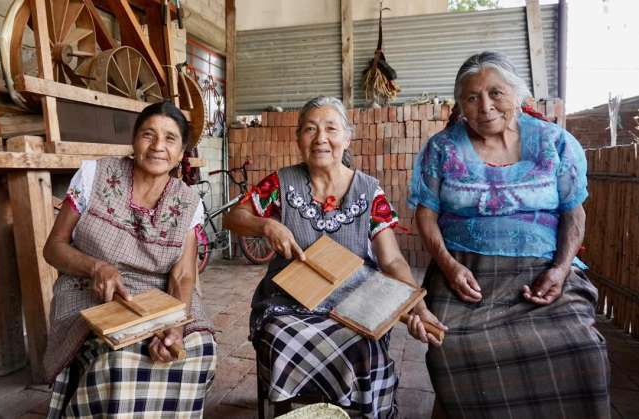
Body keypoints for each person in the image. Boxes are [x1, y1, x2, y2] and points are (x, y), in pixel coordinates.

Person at [407, 51, 610, 418]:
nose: (485, 106)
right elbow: (426, 213)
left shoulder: (555, 143)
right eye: (471, 97)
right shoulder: (443, 148)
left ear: (517, 94)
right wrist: (448, 266)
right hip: (467, 271)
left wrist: (562, 269)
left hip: (543, 269)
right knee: (455, 348)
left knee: (580, 347)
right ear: (461, 105)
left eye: (495, 93)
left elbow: (573, 211)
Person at [223, 96, 445, 418]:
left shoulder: (369, 191)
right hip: (287, 303)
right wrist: (266, 224)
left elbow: (393, 261)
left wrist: (417, 306)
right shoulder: (281, 183)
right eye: (310, 129)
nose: (321, 138)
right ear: (299, 137)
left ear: (347, 137)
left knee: (366, 347)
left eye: (331, 129)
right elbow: (233, 217)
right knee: (279, 338)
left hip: (354, 305)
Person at [42, 101, 215, 418]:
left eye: (170, 139)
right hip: (89, 289)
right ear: (134, 142)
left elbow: (183, 276)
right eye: (148, 135)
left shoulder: (189, 201)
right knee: (121, 359)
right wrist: (96, 266)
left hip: (159, 295)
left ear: (181, 153)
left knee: (196, 348)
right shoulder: (95, 176)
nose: (158, 146)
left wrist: (174, 324)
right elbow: (53, 247)